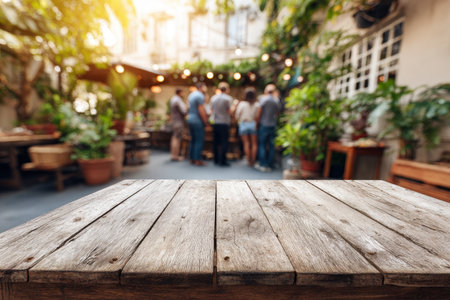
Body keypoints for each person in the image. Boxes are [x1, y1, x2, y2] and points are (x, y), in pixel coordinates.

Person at [255, 84, 280, 172]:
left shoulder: (264, 99)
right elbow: (277, 113)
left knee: (262, 144)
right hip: (272, 125)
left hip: (264, 124)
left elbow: (259, 112)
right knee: (271, 145)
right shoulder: (276, 100)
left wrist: (257, 122)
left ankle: (262, 164)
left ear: (266, 91)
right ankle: (269, 164)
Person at [210, 82, 233, 166]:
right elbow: (229, 111)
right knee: (224, 142)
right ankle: (222, 160)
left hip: (216, 122)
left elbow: (211, 110)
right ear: (226, 89)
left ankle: (216, 159)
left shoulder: (213, 98)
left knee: (216, 142)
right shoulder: (228, 99)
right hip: (224, 122)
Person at [235, 87, 259, 166]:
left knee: (246, 143)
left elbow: (237, 115)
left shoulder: (242, 104)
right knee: (254, 144)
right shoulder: (257, 105)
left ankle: (249, 160)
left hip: (244, 124)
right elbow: (257, 116)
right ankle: (253, 160)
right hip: (253, 124)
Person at [187, 82, 209, 166]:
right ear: (201, 87)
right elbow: (201, 109)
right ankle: (197, 160)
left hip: (190, 118)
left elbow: (188, 107)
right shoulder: (200, 96)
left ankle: (192, 158)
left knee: (193, 139)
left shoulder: (191, 95)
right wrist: (205, 121)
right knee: (199, 140)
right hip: (197, 120)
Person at [169, 88, 187, 161]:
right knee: (177, 139)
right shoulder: (178, 100)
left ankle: (173, 155)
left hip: (174, 121)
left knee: (174, 138)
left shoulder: (172, 99)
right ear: (180, 92)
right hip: (179, 122)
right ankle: (176, 156)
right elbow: (183, 111)